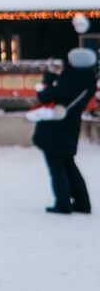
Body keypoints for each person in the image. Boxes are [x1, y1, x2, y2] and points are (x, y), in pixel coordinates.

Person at [33, 47, 96, 214]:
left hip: (56, 128)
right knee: (68, 164)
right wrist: (56, 79)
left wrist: (48, 81)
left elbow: (47, 96)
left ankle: (63, 203)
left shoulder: (71, 79)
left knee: (56, 167)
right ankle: (82, 203)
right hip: (70, 126)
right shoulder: (86, 79)